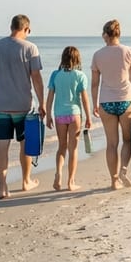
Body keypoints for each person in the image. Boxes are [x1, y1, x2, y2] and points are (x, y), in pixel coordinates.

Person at [0, 14, 45, 199]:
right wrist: (43, 103)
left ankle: (3, 187)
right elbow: (36, 78)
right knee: (25, 144)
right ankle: (26, 181)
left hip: (0, 105)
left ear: (11, 27)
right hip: (23, 106)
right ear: (26, 29)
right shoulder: (30, 48)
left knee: (2, 146)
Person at [91, 19, 131, 190]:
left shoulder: (97, 55)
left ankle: (113, 180)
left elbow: (95, 83)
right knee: (127, 140)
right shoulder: (129, 52)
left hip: (106, 102)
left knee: (111, 143)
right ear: (118, 34)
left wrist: (95, 104)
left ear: (105, 34)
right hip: (127, 101)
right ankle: (124, 169)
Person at [45, 46, 92, 192]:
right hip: (74, 115)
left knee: (61, 147)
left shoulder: (55, 75)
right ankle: (71, 182)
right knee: (73, 149)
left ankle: (58, 174)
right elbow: (84, 99)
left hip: (59, 115)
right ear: (77, 59)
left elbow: (50, 97)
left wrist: (48, 115)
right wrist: (89, 117)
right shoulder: (80, 76)